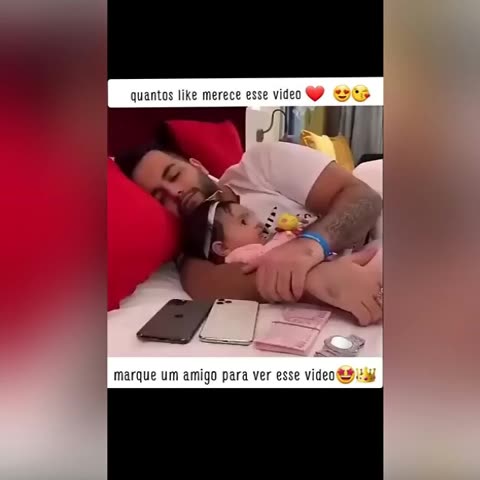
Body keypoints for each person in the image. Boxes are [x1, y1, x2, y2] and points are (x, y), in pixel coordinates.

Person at [115, 140, 383, 326]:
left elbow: (364, 198)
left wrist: (308, 246)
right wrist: (316, 280)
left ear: (197, 165)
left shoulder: (261, 165)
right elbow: (208, 284)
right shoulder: (193, 243)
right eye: (160, 198)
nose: (176, 193)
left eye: (174, 175)